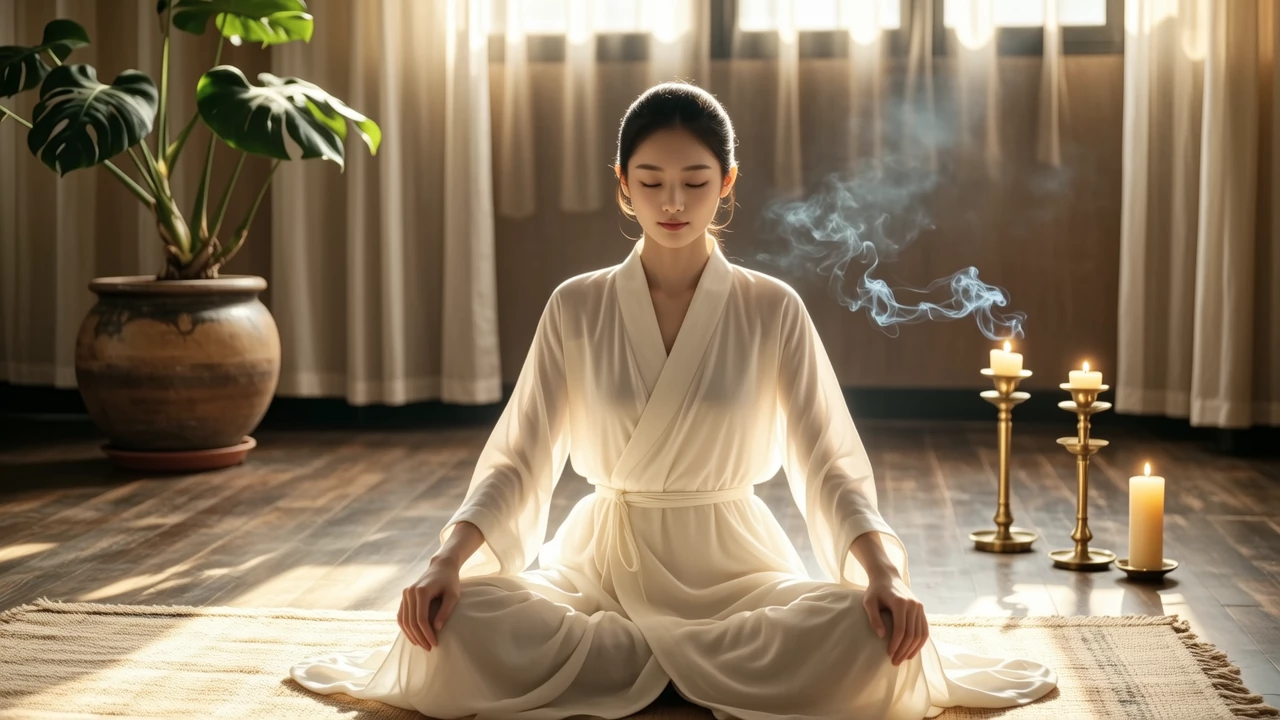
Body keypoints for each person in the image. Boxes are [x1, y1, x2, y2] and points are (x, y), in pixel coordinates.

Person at [289, 81, 1057, 720]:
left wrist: (885, 574)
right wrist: (445, 560)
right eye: (651, 182)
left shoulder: (770, 307)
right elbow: (520, 457)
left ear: (727, 184)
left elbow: (830, 465)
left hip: (735, 571)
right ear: (621, 184)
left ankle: (650, 670)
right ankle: (685, 673)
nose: (673, 203)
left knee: (863, 637)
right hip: (598, 570)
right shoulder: (577, 306)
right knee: (459, 628)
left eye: (694, 183)